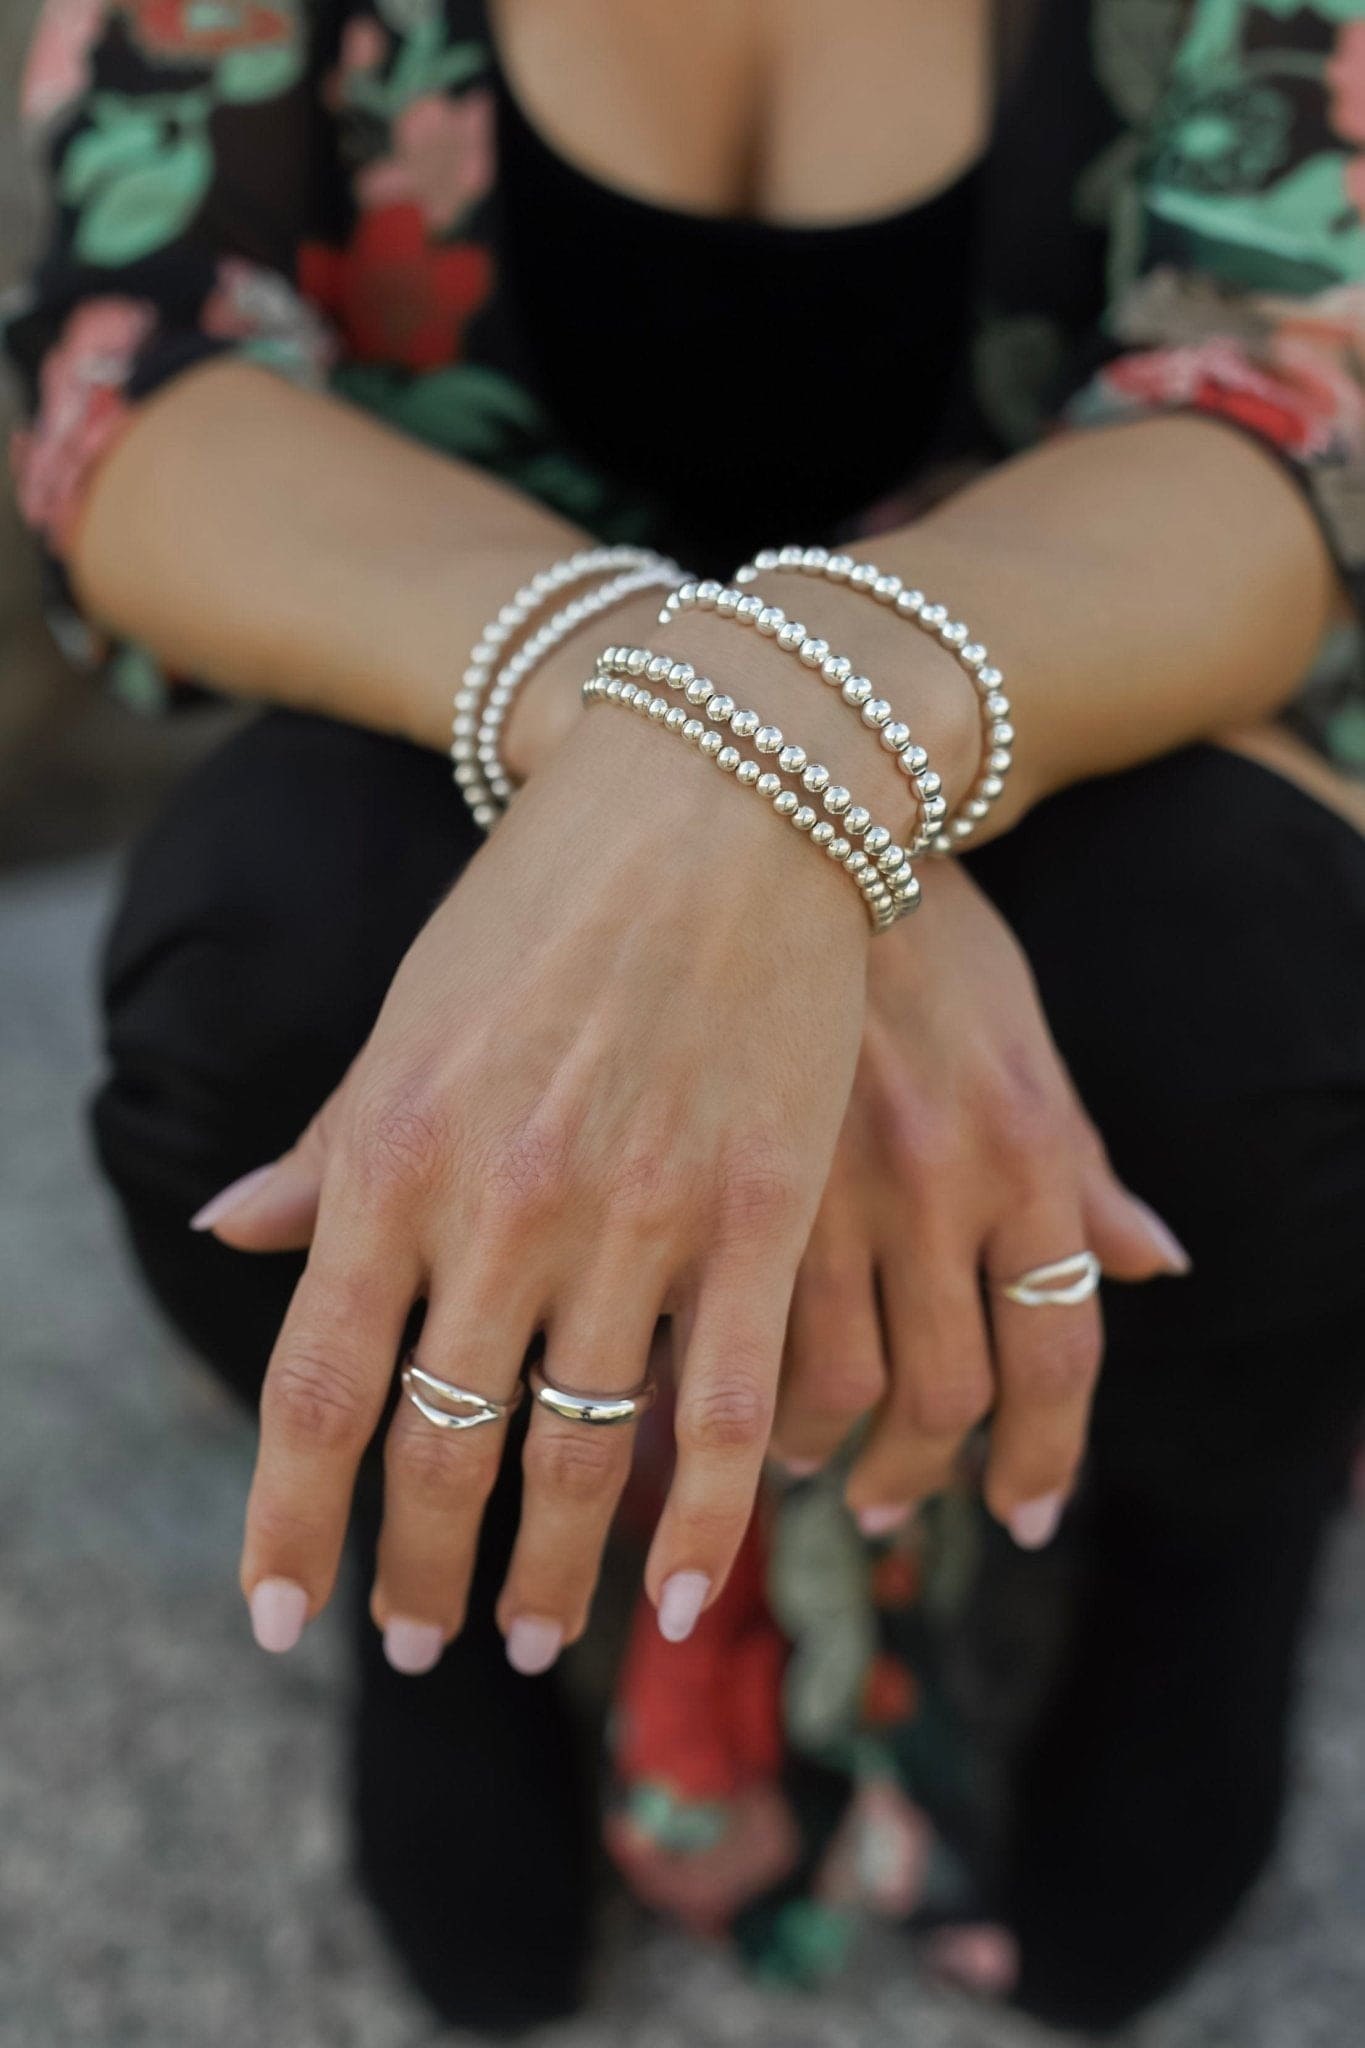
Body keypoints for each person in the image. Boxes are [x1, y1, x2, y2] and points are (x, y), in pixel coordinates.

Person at [8, 0, 1365, 2032]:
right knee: (265, 958)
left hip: (1100, 719)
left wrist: (809, 745)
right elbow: (136, 373)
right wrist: (668, 738)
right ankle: (453, 1531)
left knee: (1241, 999)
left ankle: (1204, 1513)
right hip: (461, 686)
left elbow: (1291, 411)